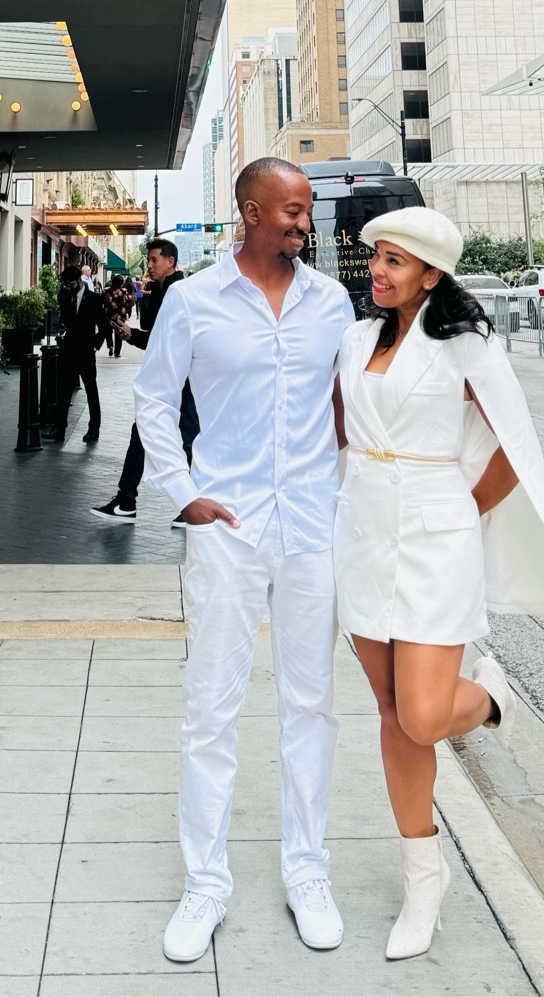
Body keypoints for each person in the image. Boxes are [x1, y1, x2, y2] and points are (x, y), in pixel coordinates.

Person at [333, 206, 544, 960]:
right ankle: (424, 875)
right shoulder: (355, 341)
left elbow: (514, 447)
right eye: (376, 258)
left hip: (433, 538)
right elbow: (340, 436)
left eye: (395, 261)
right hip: (359, 534)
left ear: (431, 273)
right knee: (392, 712)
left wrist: (460, 506)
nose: (378, 271)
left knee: (424, 714)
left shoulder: (465, 347)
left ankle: (489, 698)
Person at [135, 159, 355, 963]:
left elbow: (349, 403)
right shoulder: (192, 300)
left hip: (310, 525)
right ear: (252, 212)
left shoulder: (331, 302)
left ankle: (307, 868)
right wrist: (183, 491)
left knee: (311, 703)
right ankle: (206, 882)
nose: (304, 222)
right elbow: (155, 399)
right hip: (226, 527)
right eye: (293, 210)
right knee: (212, 707)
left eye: (308, 211)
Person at [90, 239, 198, 527]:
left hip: (182, 378)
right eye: (148, 260)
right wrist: (132, 334)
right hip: (166, 377)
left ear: (171, 262)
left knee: (190, 437)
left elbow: (170, 341)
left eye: (153, 260)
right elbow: (157, 338)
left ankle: (191, 505)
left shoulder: (179, 293)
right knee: (144, 432)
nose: (148, 265)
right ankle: (126, 501)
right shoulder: (163, 291)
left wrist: (136, 332)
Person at [49, 264, 106, 443]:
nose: (69, 287)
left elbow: (103, 327)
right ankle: (59, 429)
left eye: (72, 284)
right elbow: (65, 320)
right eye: (67, 285)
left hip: (86, 351)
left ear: (80, 281)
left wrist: (95, 345)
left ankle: (94, 428)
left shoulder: (94, 299)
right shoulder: (64, 296)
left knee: (91, 390)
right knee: (63, 390)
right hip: (68, 350)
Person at [105, 276, 134, 357]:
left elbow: (102, 301)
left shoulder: (107, 290)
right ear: (121, 283)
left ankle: (110, 345)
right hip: (120, 316)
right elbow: (128, 301)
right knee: (119, 333)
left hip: (109, 314)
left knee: (108, 331)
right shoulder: (123, 291)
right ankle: (117, 352)